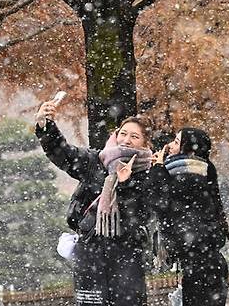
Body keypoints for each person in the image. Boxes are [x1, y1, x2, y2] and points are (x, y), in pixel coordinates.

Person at [35, 98, 157, 306]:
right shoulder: (97, 161)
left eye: (134, 137)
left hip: (126, 256)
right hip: (90, 252)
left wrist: (126, 185)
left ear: (145, 144)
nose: (126, 140)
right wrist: (45, 127)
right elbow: (65, 154)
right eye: (123, 133)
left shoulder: (150, 174)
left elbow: (139, 218)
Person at [152, 128, 229, 306]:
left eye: (177, 142)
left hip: (201, 268)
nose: (170, 145)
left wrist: (157, 168)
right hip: (205, 265)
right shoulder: (199, 172)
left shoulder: (189, 176)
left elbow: (158, 201)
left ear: (191, 151)